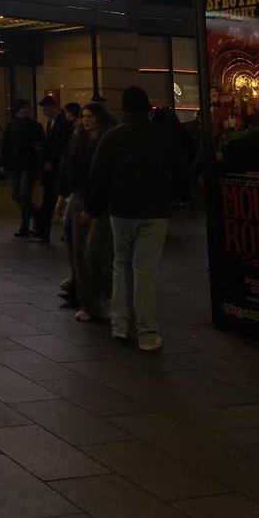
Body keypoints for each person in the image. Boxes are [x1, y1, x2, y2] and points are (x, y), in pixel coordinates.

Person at [86, 85, 190, 351]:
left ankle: (120, 325)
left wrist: (95, 207)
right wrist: (175, 195)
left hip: (121, 210)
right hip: (155, 211)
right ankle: (146, 332)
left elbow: (97, 176)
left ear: (123, 109)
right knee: (145, 270)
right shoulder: (162, 136)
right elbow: (182, 169)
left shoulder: (112, 137)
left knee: (120, 263)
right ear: (147, 109)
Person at [56, 103, 116, 322]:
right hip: (79, 198)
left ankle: (104, 297)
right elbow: (68, 167)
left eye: (90, 116)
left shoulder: (107, 140)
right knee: (77, 251)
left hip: (100, 204)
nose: (86, 120)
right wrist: (63, 196)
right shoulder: (78, 141)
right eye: (83, 116)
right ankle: (88, 302)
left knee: (95, 252)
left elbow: (105, 178)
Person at [32, 96, 76, 241]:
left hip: (56, 169)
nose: (45, 112)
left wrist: (51, 161)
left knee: (50, 201)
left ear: (54, 107)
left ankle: (44, 231)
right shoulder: (51, 123)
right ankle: (43, 231)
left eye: (46, 109)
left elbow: (61, 146)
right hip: (51, 169)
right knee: (48, 201)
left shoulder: (61, 124)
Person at [2, 99, 44, 238]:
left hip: (27, 164)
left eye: (27, 108)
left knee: (24, 195)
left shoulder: (34, 126)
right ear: (18, 110)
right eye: (23, 108)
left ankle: (26, 225)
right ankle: (36, 215)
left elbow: (40, 145)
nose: (26, 110)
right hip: (17, 164)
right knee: (18, 194)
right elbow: (5, 145)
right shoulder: (12, 126)